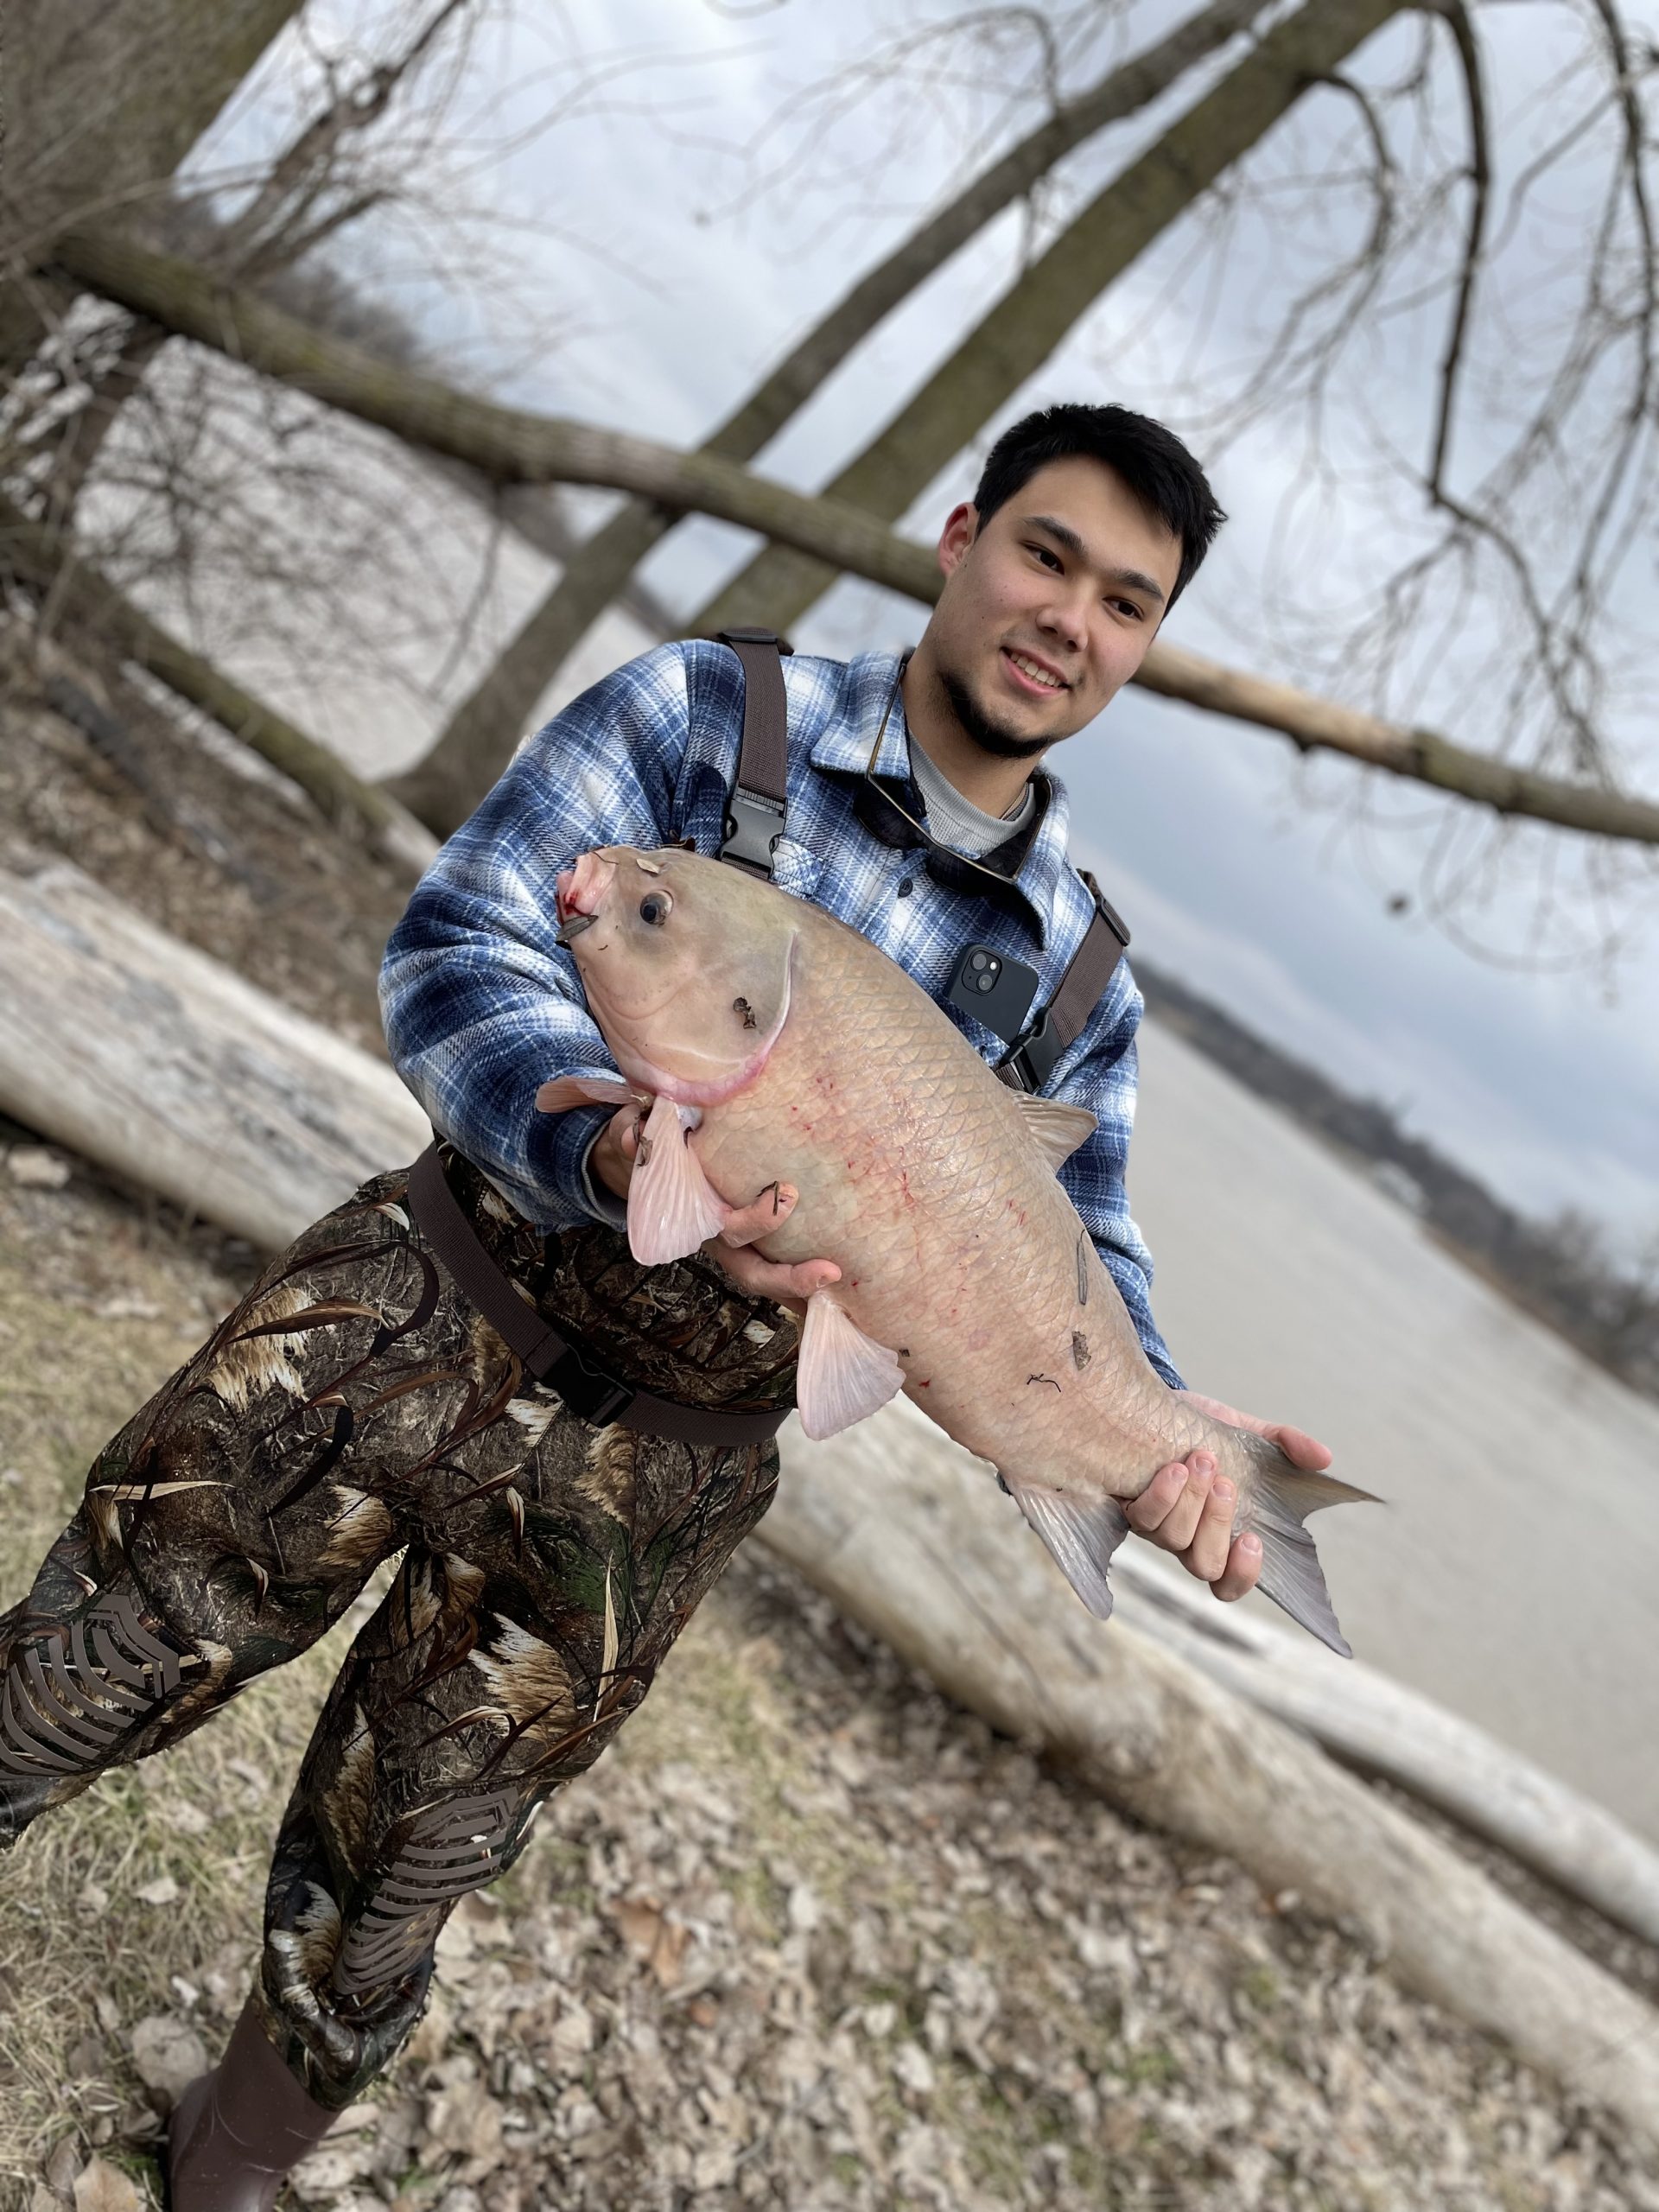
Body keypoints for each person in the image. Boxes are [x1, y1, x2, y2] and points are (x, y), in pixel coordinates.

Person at [0, 402, 1331, 2208]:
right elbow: (464, 932)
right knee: (110, 1630)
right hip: (421, 1301)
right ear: (959, 535)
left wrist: (1181, 1445)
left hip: (660, 1481)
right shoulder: (708, 715)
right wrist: (610, 1148)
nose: (1068, 619)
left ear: (1144, 644)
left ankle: (227, 2164)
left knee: (415, 1855)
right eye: (1045, 554)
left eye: (1125, 601)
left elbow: (1083, 1264)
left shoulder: (1085, 980)